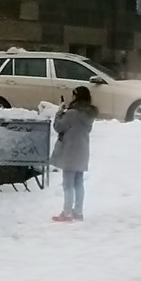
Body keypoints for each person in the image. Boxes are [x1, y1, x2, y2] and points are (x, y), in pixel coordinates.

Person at [50, 85, 98, 223]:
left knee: (68, 184)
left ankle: (67, 212)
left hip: (70, 151)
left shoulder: (72, 114)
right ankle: (78, 211)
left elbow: (58, 127)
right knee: (78, 183)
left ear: (77, 97)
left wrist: (60, 112)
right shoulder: (88, 115)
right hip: (82, 151)